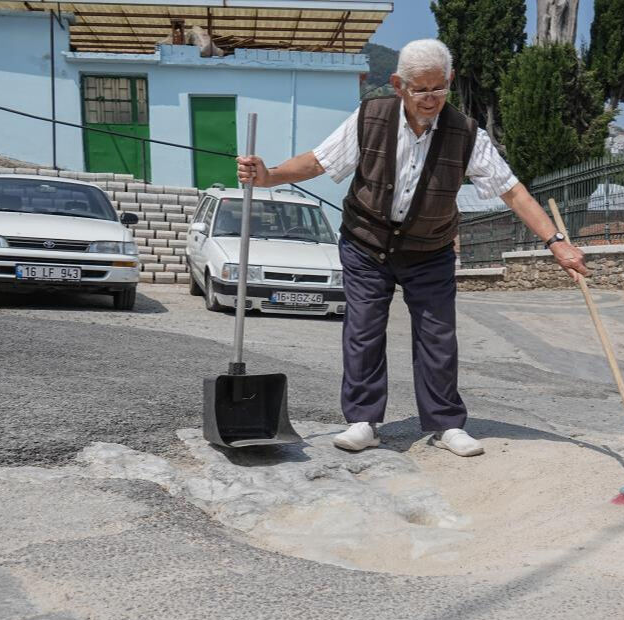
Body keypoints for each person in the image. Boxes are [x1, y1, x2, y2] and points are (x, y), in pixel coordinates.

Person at [237, 38, 589, 457]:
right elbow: (318, 162)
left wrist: (557, 242)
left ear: (450, 81)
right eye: (420, 89)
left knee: (438, 336)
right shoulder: (371, 116)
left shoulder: (466, 134)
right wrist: (269, 176)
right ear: (398, 84)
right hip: (366, 243)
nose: (430, 99)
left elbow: (511, 191)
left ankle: (446, 424)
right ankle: (363, 421)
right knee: (364, 330)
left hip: (431, 249)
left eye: (438, 88)